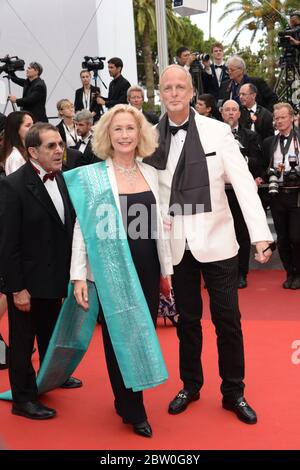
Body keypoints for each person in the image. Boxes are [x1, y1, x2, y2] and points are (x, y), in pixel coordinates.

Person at [146, 65, 273, 425]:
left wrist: (261, 234)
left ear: (190, 92)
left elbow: (244, 182)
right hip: (177, 243)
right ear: (162, 94)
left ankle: (234, 391)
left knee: (227, 320)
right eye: (167, 87)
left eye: (179, 87)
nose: (173, 93)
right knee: (187, 321)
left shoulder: (217, 131)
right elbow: (149, 193)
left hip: (218, 240)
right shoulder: (151, 137)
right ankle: (191, 384)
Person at [68, 104, 172, 437]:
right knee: (118, 337)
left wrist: (166, 271)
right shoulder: (95, 176)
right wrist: (78, 275)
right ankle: (133, 408)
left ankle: (126, 396)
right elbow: (82, 229)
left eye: (130, 128)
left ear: (140, 133)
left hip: (147, 265)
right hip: (111, 269)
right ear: (107, 136)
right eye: (118, 129)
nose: (125, 135)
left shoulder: (151, 172)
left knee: (143, 332)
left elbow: (160, 227)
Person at [0, 123, 82, 420]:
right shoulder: (13, 186)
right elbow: (7, 245)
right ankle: (23, 399)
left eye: (60, 144)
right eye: (51, 146)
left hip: (55, 278)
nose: (59, 150)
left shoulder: (62, 179)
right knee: (23, 344)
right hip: (28, 283)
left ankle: (50, 377)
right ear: (33, 151)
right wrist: (17, 289)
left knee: (52, 333)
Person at [221, 99, 264, 288]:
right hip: (219, 192)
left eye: (234, 110)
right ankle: (221, 274)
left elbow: (258, 162)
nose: (231, 113)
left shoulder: (250, 136)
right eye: (227, 110)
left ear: (239, 114)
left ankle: (241, 273)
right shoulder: (213, 136)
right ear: (222, 113)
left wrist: (239, 159)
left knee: (241, 233)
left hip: (240, 192)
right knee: (220, 233)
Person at [262, 103, 300, 290]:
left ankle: (298, 272)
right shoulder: (270, 142)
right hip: (277, 195)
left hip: (297, 195)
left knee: (296, 237)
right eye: (276, 118)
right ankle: (289, 272)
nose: (279, 121)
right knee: (283, 238)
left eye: (283, 117)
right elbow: (264, 166)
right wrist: (268, 174)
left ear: (292, 117)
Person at [1, 111, 33, 176]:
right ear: (16, 129)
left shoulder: (27, 151)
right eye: (28, 125)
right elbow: (18, 184)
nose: (33, 128)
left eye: (33, 124)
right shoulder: (15, 158)